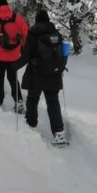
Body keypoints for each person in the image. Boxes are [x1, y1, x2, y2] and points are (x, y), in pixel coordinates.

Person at [19, 9, 67, 145]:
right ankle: (59, 133)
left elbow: (26, 55)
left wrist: (14, 66)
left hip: (37, 74)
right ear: (47, 20)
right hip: (54, 74)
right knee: (53, 101)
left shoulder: (33, 33)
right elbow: (63, 54)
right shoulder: (57, 34)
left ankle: (31, 123)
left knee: (33, 98)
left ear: (37, 20)